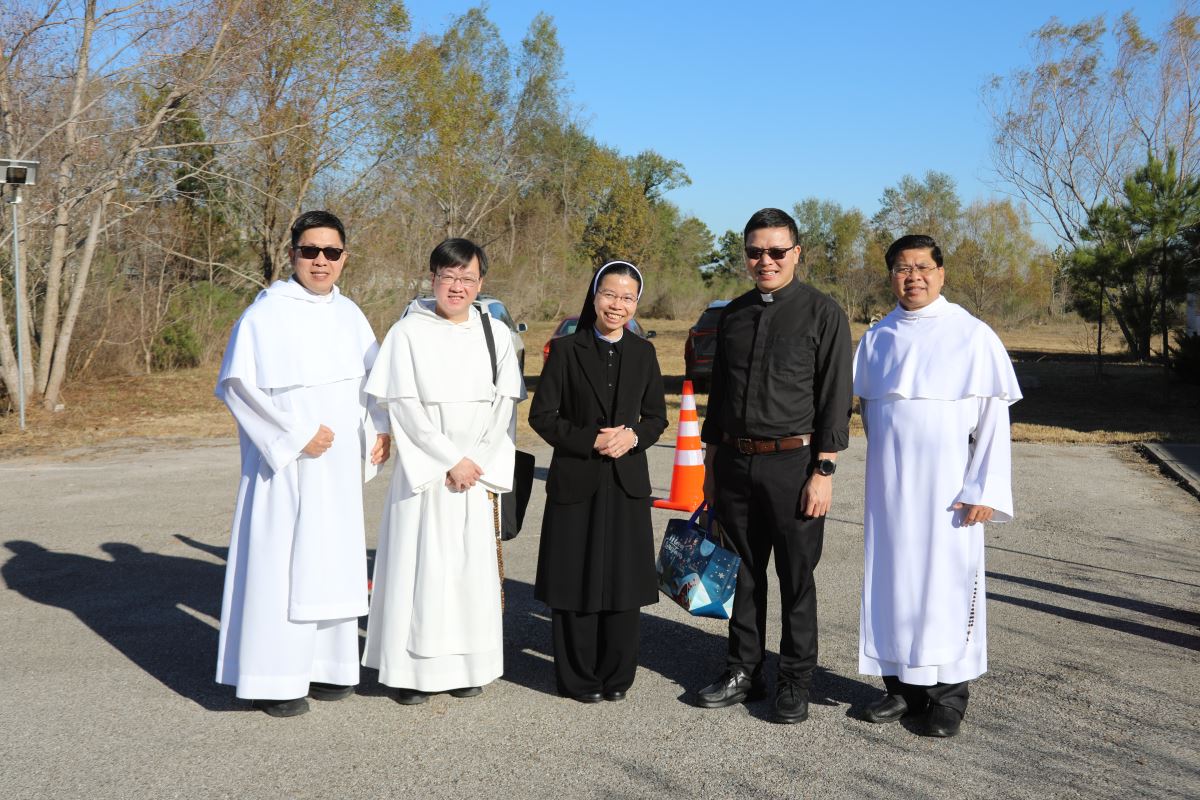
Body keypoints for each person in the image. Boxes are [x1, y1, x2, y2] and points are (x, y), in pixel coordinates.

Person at [214, 210, 391, 717]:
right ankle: (275, 680)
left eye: (331, 252)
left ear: (344, 258)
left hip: (338, 471)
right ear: (292, 254)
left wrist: (381, 429)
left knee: (332, 561)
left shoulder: (351, 315)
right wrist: (294, 436)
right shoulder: (265, 315)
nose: (320, 261)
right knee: (282, 567)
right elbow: (238, 387)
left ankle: (329, 667)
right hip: (286, 469)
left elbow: (374, 384)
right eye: (310, 251)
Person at [853, 234, 1021, 738]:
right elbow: (869, 414)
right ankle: (900, 688)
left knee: (945, 585)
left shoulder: (972, 336)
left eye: (923, 267)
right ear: (891, 277)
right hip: (890, 491)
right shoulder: (878, 338)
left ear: (941, 273)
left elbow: (993, 422)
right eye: (902, 268)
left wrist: (984, 488)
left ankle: (949, 697)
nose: (913, 277)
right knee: (893, 584)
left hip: (950, 491)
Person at [697, 207, 853, 724]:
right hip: (735, 462)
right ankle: (744, 670)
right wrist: (711, 467)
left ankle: (794, 681)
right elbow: (720, 396)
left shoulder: (823, 314)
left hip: (795, 465)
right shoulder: (734, 315)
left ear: (796, 253)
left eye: (776, 251)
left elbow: (835, 398)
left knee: (795, 578)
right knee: (742, 574)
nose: (765, 261)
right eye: (755, 252)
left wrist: (823, 472)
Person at [362, 238, 523, 704]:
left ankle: (469, 666)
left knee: (469, 573)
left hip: (475, 474)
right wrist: (449, 460)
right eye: (448, 276)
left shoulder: (495, 333)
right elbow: (404, 407)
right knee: (419, 570)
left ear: (480, 282)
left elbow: (504, 406)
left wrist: (474, 461)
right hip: (427, 475)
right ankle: (410, 673)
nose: (457, 286)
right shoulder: (407, 333)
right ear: (432, 278)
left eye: (467, 278)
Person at [529, 261, 668, 703]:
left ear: (636, 304)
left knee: (624, 580)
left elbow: (657, 418)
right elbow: (542, 416)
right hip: (577, 478)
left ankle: (617, 676)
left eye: (627, 297)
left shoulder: (644, 353)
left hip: (627, 482)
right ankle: (577, 678)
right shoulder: (565, 350)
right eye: (610, 294)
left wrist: (633, 436)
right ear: (594, 296)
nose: (617, 305)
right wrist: (590, 439)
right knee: (574, 578)